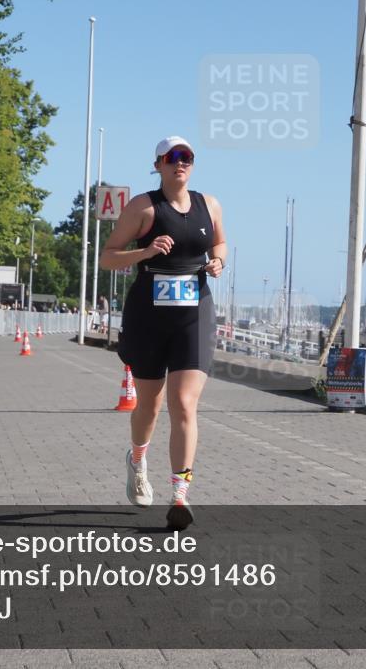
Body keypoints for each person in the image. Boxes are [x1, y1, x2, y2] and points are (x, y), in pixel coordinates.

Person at [100, 136, 226, 531]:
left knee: (184, 405)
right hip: (149, 313)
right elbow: (107, 256)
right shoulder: (143, 206)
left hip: (194, 311)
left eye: (186, 157)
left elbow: (219, 241)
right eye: (172, 158)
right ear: (158, 165)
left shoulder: (210, 204)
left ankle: (179, 495)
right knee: (149, 407)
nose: (180, 164)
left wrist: (218, 260)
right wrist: (145, 252)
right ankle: (137, 459)